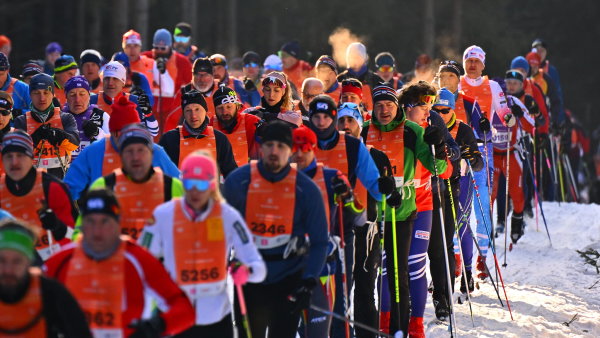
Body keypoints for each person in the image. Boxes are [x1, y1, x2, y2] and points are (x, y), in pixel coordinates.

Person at [140, 151, 266, 337]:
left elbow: (257, 265)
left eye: (201, 184)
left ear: (212, 185)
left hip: (216, 316)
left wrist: (247, 271)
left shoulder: (228, 216)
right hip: (175, 315)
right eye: (189, 183)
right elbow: (142, 261)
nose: (195, 191)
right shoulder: (163, 215)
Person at [223, 120, 328, 338]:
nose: (274, 151)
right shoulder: (239, 181)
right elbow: (220, 231)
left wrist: (309, 280)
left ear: (290, 151)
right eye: (269, 145)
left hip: (289, 276)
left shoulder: (306, 189)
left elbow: (319, 241)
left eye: (281, 146)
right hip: (250, 275)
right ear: (260, 148)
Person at [44, 188, 195, 337]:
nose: (97, 231)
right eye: (90, 221)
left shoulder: (138, 259)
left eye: (105, 222)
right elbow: (28, 303)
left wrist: (155, 326)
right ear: (83, 225)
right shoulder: (61, 261)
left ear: (118, 224)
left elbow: (184, 308)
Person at [361, 83, 450, 334]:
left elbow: (440, 168)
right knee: (385, 269)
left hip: (415, 207)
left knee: (413, 266)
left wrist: (440, 145)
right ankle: (386, 323)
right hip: (375, 213)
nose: (384, 110)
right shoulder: (364, 129)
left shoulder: (412, 131)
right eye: (378, 105)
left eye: (389, 104)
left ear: (397, 106)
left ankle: (415, 325)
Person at [290, 125, 360, 338]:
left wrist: (347, 195)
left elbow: (359, 215)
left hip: (323, 264)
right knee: (297, 328)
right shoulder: (279, 178)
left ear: (314, 149)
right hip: (289, 263)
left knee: (326, 324)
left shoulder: (331, 176)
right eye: (295, 149)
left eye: (305, 148)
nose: (300, 154)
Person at [335, 101, 393, 337]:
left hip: (367, 229)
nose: (346, 125)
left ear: (360, 124)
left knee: (366, 286)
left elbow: (384, 190)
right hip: (338, 227)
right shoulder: (331, 152)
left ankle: (367, 333)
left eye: (351, 120)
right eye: (342, 120)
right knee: (340, 288)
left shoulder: (374, 154)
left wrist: (390, 190)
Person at [64, 96, 179, 200]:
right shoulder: (94, 152)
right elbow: (68, 190)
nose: (125, 138)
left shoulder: (155, 152)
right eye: (119, 132)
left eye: (130, 133)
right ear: (112, 132)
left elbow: (179, 185)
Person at [459, 45, 508, 280]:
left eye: (476, 61)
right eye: (469, 60)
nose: (472, 65)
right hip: (459, 149)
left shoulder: (493, 86)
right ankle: (457, 256)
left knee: (482, 204)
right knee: (458, 203)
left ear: (483, 65)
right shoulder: (456, 84)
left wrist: (507, 119)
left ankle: (483, 257)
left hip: (482, 147)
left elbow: (506, 114)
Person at [89, 124, 183, 240]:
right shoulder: (102, 186)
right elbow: (85, 232)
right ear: (121, 155)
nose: (135, 157)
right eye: (129, 151)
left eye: (141, 150)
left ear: (152, 154)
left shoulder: (173, 186)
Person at [0, 219, 92, 337]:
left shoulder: (50, 293)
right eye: (2, 261)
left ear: (29, 262)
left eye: (17, 261)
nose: (8, 270)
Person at [433, 88, 483, 299]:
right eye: (437, 110)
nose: (441, 114)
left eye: (445, 110)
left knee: (462, 226)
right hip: (437, 184)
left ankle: (468, 272)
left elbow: (479, 164)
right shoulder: (429, 126)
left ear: (453, 110)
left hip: (461, 183)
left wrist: (471, 156)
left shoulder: (463, 130)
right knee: (440, 232)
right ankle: (441, 276)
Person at [0, 131, 78, 262]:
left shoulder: (53, 188)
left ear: (31, 157)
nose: (14, 162)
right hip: (11, 269)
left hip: (50, 264)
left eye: (20, 155)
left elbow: (76, 236)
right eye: (9, 156)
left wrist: (58, 227)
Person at [14, 73, 79, 178]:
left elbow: (75, 144)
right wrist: (35, 138)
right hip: (32, 180)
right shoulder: (22, 121)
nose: (42, 98)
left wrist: (59, 135)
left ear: (53, 94)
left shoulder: (66, 118)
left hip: (60, 178)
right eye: (36, 93)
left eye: (46, 92)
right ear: (30, 95)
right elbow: (18, 153)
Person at [490, 93, 535, 244]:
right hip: (493, 155)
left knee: (517, 192)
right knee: (490, 193)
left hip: (511, 153)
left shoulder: (513, 101)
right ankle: (487, 228)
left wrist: (520, 115)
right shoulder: (487, 100)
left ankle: (516, 224)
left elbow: (531, 125)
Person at [159, 89, 237, 174]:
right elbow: (159, 171)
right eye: (188, 110)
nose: (193, 115)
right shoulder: (170, 139)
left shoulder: (220, 139)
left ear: (205, 111)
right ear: (183, 114)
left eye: (197, 109)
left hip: (210, 187)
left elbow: (231, 173)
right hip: (180, 187)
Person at [142, 28, 192, 131]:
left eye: (163, 48)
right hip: (149, 113)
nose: (159, 51)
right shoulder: (145, 58)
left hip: (172, 115)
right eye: (156, 47)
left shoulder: (182, 62)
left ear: (170, 47)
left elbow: (191, 88)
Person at [89, 61, 158, 135]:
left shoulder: (135, 101)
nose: (110, 83)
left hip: (128, 145)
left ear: (123, 82)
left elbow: (153, 132)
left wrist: (148, 113)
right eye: (107, 78)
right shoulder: (91, 100)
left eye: (115, 79)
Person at [164, 57, 219, 131]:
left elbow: (238, 112)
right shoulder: (184, 92)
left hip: (217, 137)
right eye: (198, 75)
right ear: (193, 75)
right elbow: (172, 120)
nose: (202, 79)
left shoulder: (223, 90)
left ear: (212, 75)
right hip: (191, 137)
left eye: (206, 75)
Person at [211, 86, 261, 166]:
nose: (224, 112)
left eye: (229, 107)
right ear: (215, 109)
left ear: (237, 106)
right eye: (220, 108)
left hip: (246, 173)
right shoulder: (210, 125)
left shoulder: (251, 121)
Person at [63, 76, 110, 161]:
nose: (77, 100)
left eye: (82, 94)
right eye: (72, 94)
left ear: (89, 95)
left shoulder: (102, 117)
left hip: (92, 172)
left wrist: (97, 133)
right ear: (66, 97)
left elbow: (114, 147)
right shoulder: (59, 118)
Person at [337, 42, 382, 112]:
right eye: (351, 57)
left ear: (364, 58)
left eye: (358, 57)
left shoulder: (375, 79)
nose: (354, 60)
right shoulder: (340, 79)